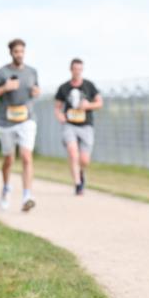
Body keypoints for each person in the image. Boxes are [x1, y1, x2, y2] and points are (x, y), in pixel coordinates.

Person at [0, 38, 40, 212]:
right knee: (9, 159)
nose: (20, 55)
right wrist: (4, 88)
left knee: (26, 156)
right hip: (6, 121)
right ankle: (6, 188)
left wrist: (36, 92)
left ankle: (27, 196)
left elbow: (36, 89)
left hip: (27, 119)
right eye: (16, 51)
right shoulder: (2, 73)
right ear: (11, 53)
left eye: (22, 51)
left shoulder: (32, 72)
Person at [53, 58, 102, 195]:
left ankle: (81, 172)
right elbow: (57, 107)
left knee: (84, 160)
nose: (77, 72)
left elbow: (99, 103)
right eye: (75, 69)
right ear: (71, 69)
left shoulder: (89, 86)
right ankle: (78, 184)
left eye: (80, 69)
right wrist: (60, 116)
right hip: (70, 125)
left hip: (86, 126)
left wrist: (88, 105)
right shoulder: (64, 88)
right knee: (73, 154)